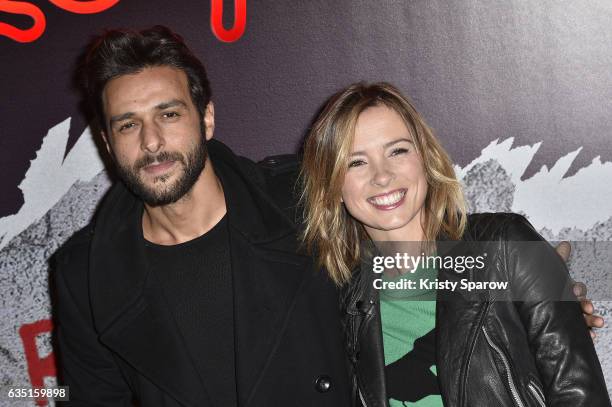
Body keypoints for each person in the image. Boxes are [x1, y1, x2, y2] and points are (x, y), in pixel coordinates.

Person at [52, 26, 350, 406]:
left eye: (169, 114)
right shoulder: (86, 274)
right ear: (108, 145)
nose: (151, 141)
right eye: (128, 124)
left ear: (206, 118)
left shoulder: (302, 201)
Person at [299, 82, 610, 406]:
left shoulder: (503, 246)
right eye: (356, 162)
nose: (382, 175)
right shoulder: (342, 301)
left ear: (425, 158)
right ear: (332, 182)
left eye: (397, 151)